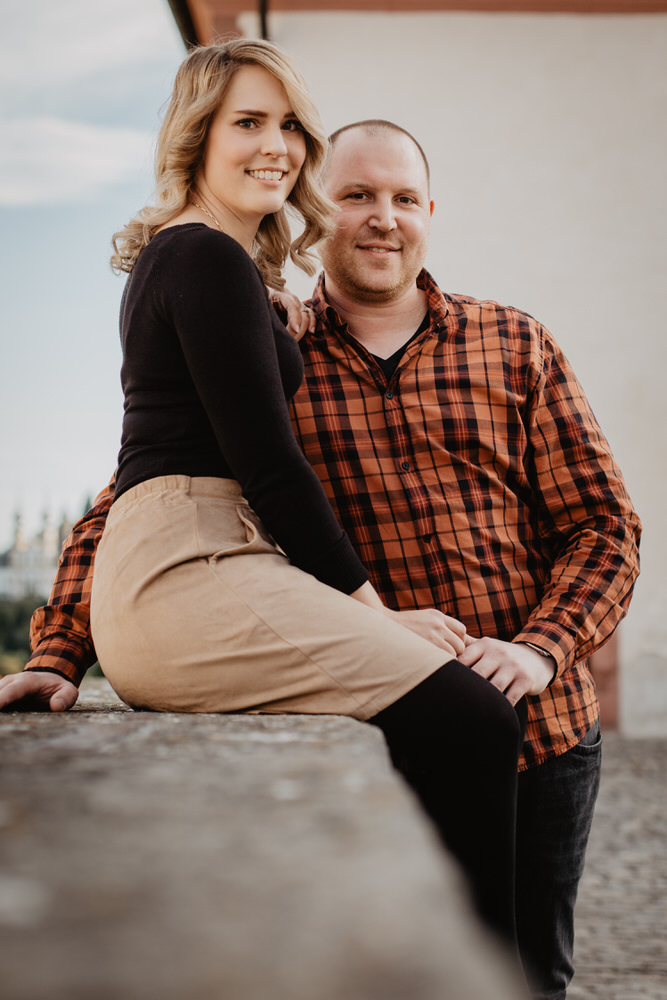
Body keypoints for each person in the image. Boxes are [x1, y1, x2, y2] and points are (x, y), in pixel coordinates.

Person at [1, 116, 640, 995]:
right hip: (382, 719)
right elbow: (130, 504)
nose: (384, 218)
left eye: (404, 199)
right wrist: (57, 651)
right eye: (356, 196)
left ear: (428, 214)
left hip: (547, 728)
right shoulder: (270, 353)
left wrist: (538, 650)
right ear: (312, 212)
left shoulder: (514, 342)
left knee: (530, 975)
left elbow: (604, 527)